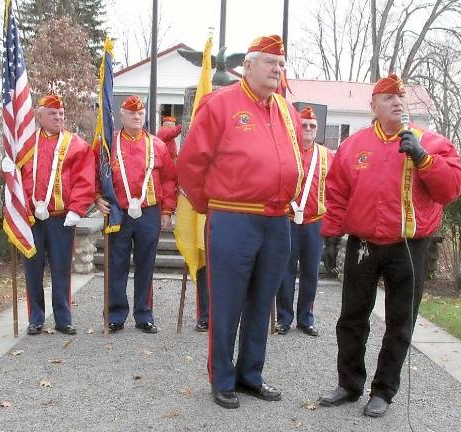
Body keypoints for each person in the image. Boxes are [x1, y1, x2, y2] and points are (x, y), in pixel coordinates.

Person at [319, 74, 461, 417]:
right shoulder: (354, 146)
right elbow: (337, 193)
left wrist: (424, 159)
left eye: (401, 97)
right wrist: (330, 234)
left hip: (408, 248)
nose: (397, 102)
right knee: (352, 316)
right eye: (388, 97)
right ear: (374, 106)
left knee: (400, 321)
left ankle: (383, 391)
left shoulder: (431, 142)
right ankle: (349, 384)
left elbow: (450, 189)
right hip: (363, 244)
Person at [177, 35, 304, 409]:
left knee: (262, 300)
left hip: (277, 220)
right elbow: (190, 163)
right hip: (234, 218)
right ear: (247, 67)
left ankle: (251, 374)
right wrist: (211, 205)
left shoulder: (285, 109)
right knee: (228, 303)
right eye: (269, 63)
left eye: (280, 64)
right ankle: (222, 377)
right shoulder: (220, 104)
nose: (276, 70)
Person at [95, 95, 177, 334]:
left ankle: (144, 315)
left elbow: (170, 179)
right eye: (132, 114)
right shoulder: (109, 144)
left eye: (140, 114)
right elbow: (94, 172)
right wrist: (97, 197)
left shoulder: (157, 145)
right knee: (116, 264)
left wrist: (167, 210)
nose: (136, 117)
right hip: (118, 212)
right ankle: (115, 315)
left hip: (149, 211)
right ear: (121, 116)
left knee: (146, 264)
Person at [22, 95, 95, 335]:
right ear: (39, 116)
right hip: (31, 218)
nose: (58, 118)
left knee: (62, 267)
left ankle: (63, 317)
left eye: (61, 114)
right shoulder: (24, 145)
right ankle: (36, 317)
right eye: (53, 114)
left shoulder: (76, 144)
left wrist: (77, 209)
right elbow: (17, 177)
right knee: (33, 268)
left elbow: (84, 180)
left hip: (61, 217)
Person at [275, 106, 334, 337]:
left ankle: (305, 319)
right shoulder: (287, 151)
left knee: (311, 272)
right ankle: (284, 318)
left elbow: (336, 187)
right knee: (285, 272)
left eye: (312, 126)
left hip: (315, 222)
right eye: (304, 125)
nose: (308, 129)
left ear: (317, 129)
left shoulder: (328, 155)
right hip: (287, 220)